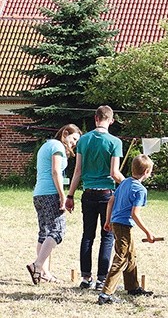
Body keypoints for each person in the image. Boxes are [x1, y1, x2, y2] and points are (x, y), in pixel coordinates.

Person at [66, 105, 125, 290]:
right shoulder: (115, 142)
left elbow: (78, 170)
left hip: (88, 193)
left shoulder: (83, 140)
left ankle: (85, 278)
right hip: (107, 195)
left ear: (95, 118)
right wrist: (129, 184)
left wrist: (70, 195)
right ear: (111, 120)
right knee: (107, 236)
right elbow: (115, 173)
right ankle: (101, 279)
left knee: (87, 236)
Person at [26, 124, 82, 285]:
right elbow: (56, 171)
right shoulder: (57, 146)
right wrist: (63, 195)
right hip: (50, 194)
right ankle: (37, 265)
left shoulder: (47, 145)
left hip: (38, 194)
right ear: (65, 133)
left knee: (44, 233)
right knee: (58, 231)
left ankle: (44, 273)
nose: (74, 144)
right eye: (73, 139)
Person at [98, 154, 156, 305]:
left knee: (130, 255)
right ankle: (105, 294)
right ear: (147, 172)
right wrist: (148, 232)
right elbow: (135, 214)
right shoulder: (140, 190)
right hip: (123, 225)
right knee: (122, 257)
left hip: (117, 224)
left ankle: (132, 287)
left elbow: (111, 200)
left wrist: (108, 220)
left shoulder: (124, 183)